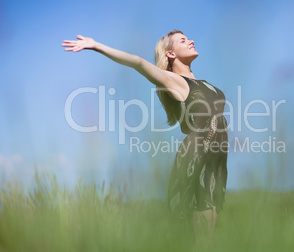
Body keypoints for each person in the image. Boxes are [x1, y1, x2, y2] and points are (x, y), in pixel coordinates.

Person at [61, 30, 228, 240]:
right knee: (200, 234)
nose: (191, 40)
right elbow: (138, 62)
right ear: (170, 54)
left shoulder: (203, 83)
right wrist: (97, 45)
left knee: (209, 233)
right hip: (196, 156)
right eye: (183, 40)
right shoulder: (173, 81)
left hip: (214, 157)